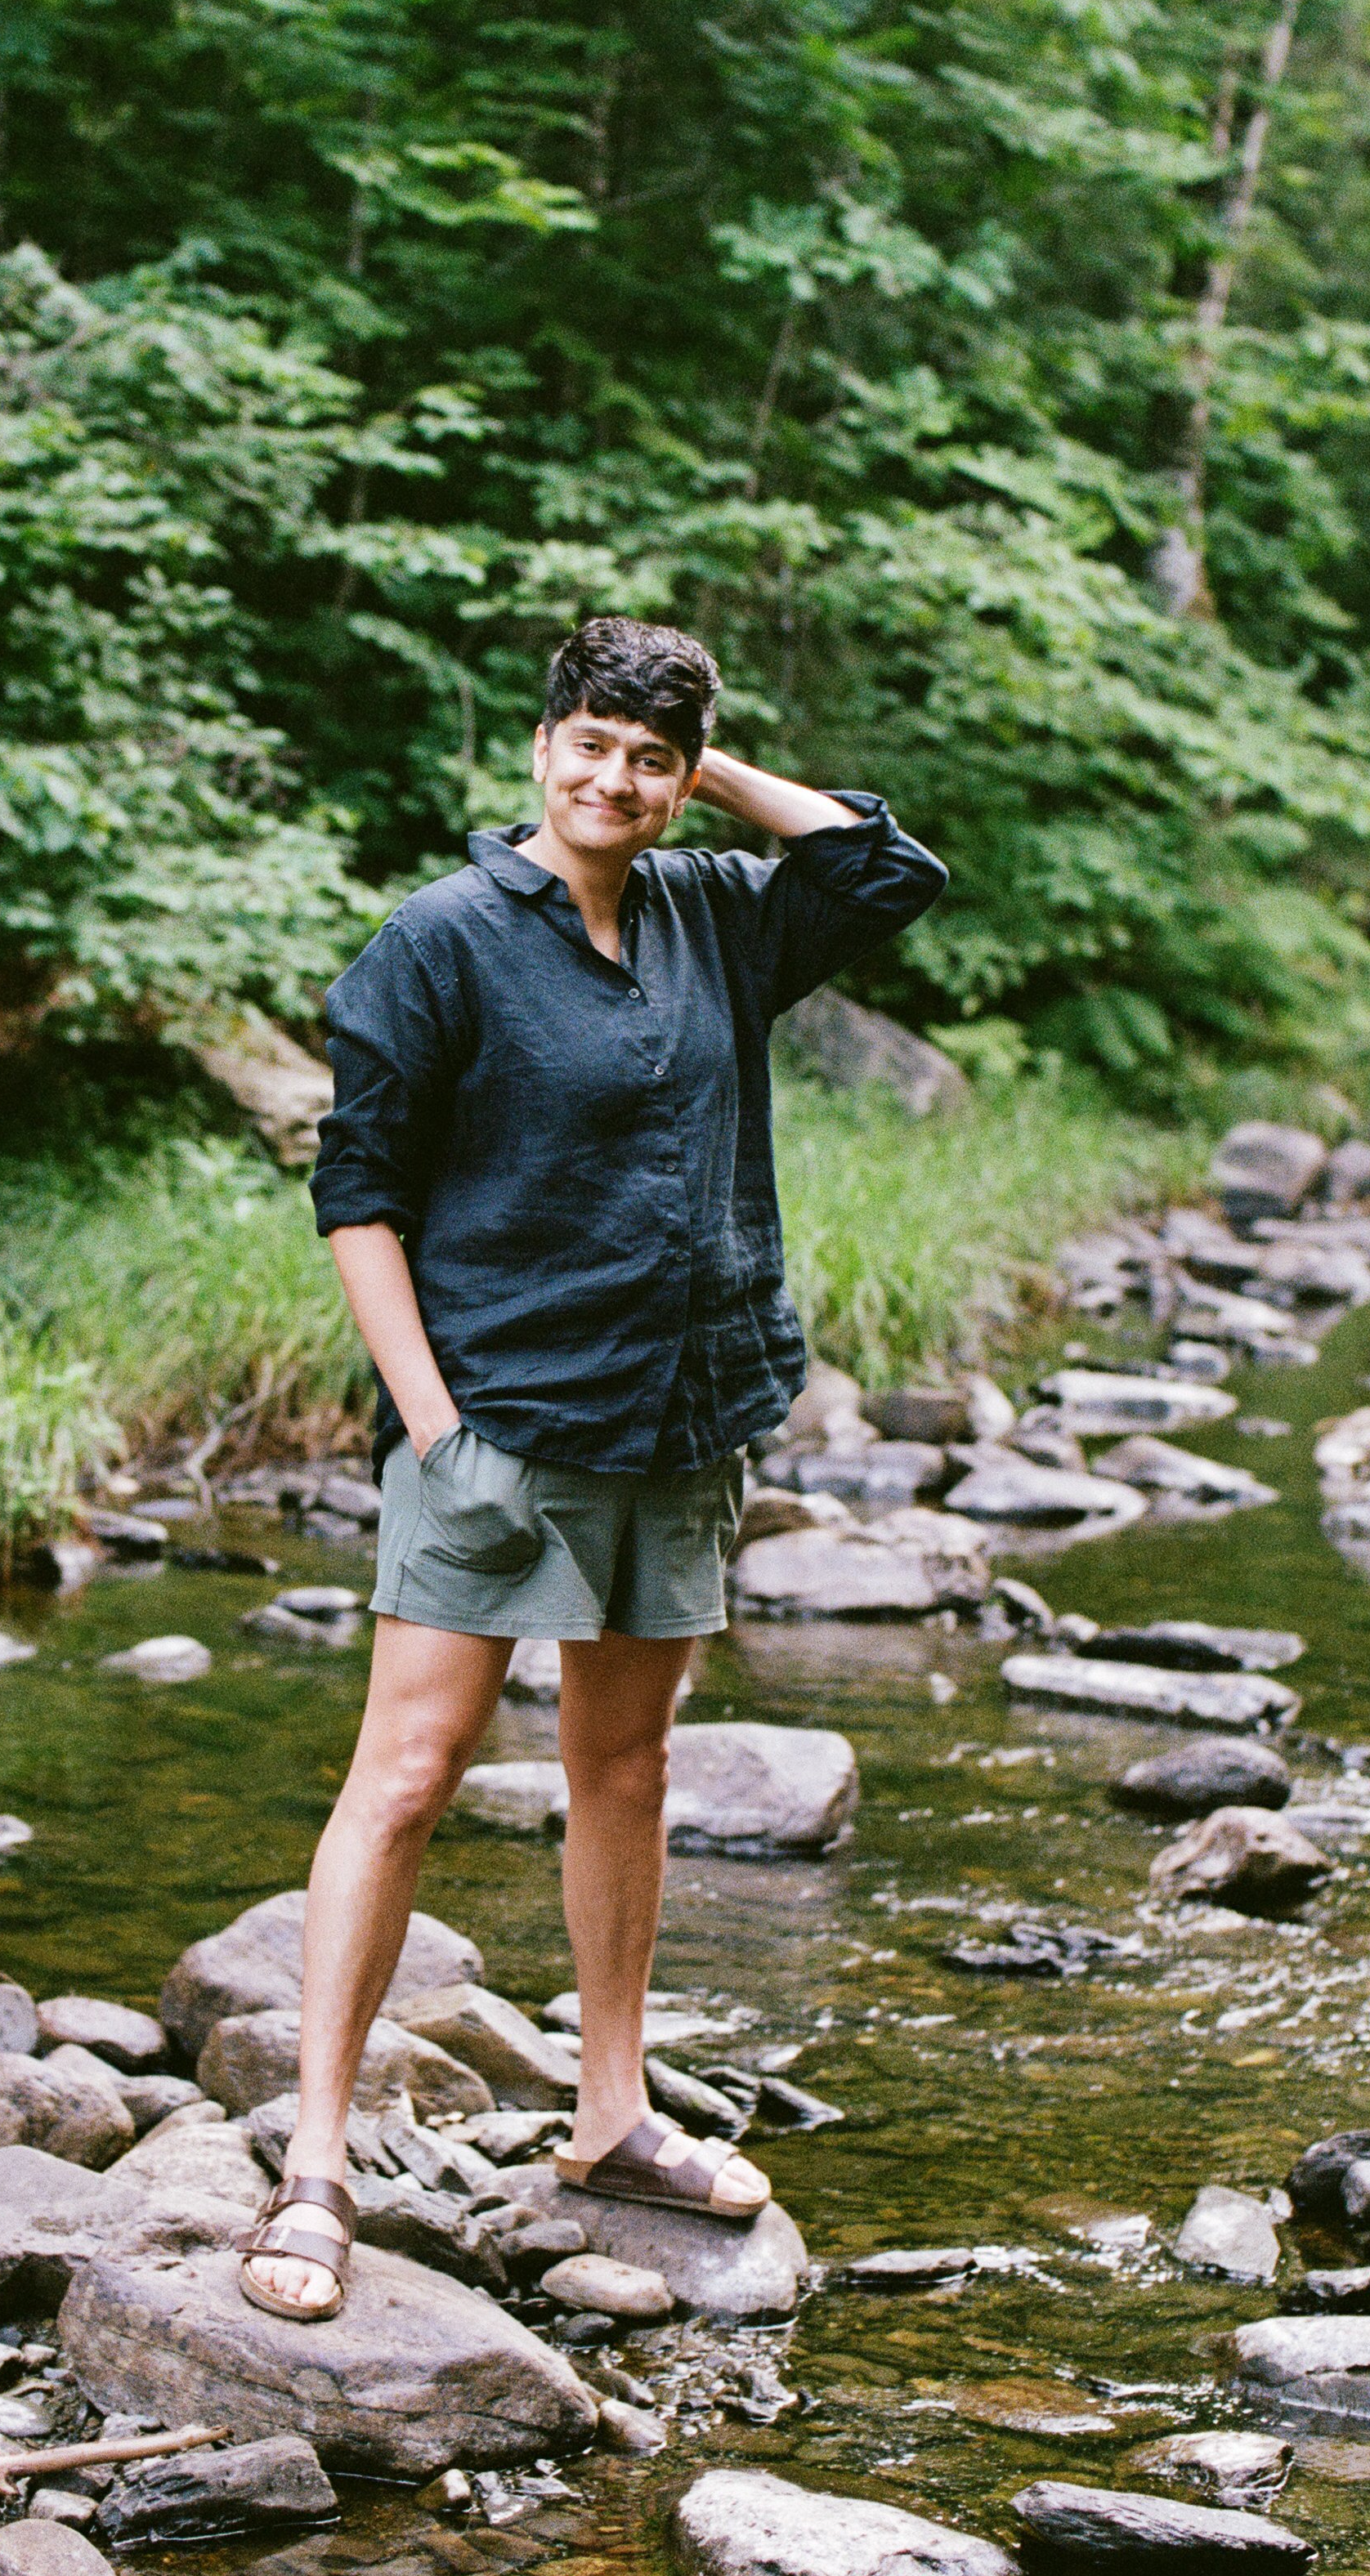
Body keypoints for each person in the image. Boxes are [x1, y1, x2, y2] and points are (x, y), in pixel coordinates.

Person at [239, 616, 947, 2320]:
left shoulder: (718, 912)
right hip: (499, 1417)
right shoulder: (441, 941)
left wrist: (711, 768)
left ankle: (610, 2116)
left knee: (623, 1770)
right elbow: (357, 1195)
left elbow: (885, 868)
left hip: (682, 1411)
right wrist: (429, 1424)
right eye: (591, 745)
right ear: (539, 743)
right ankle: (316, 2166)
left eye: (649, 758)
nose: (613, 780)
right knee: (404, 1776)